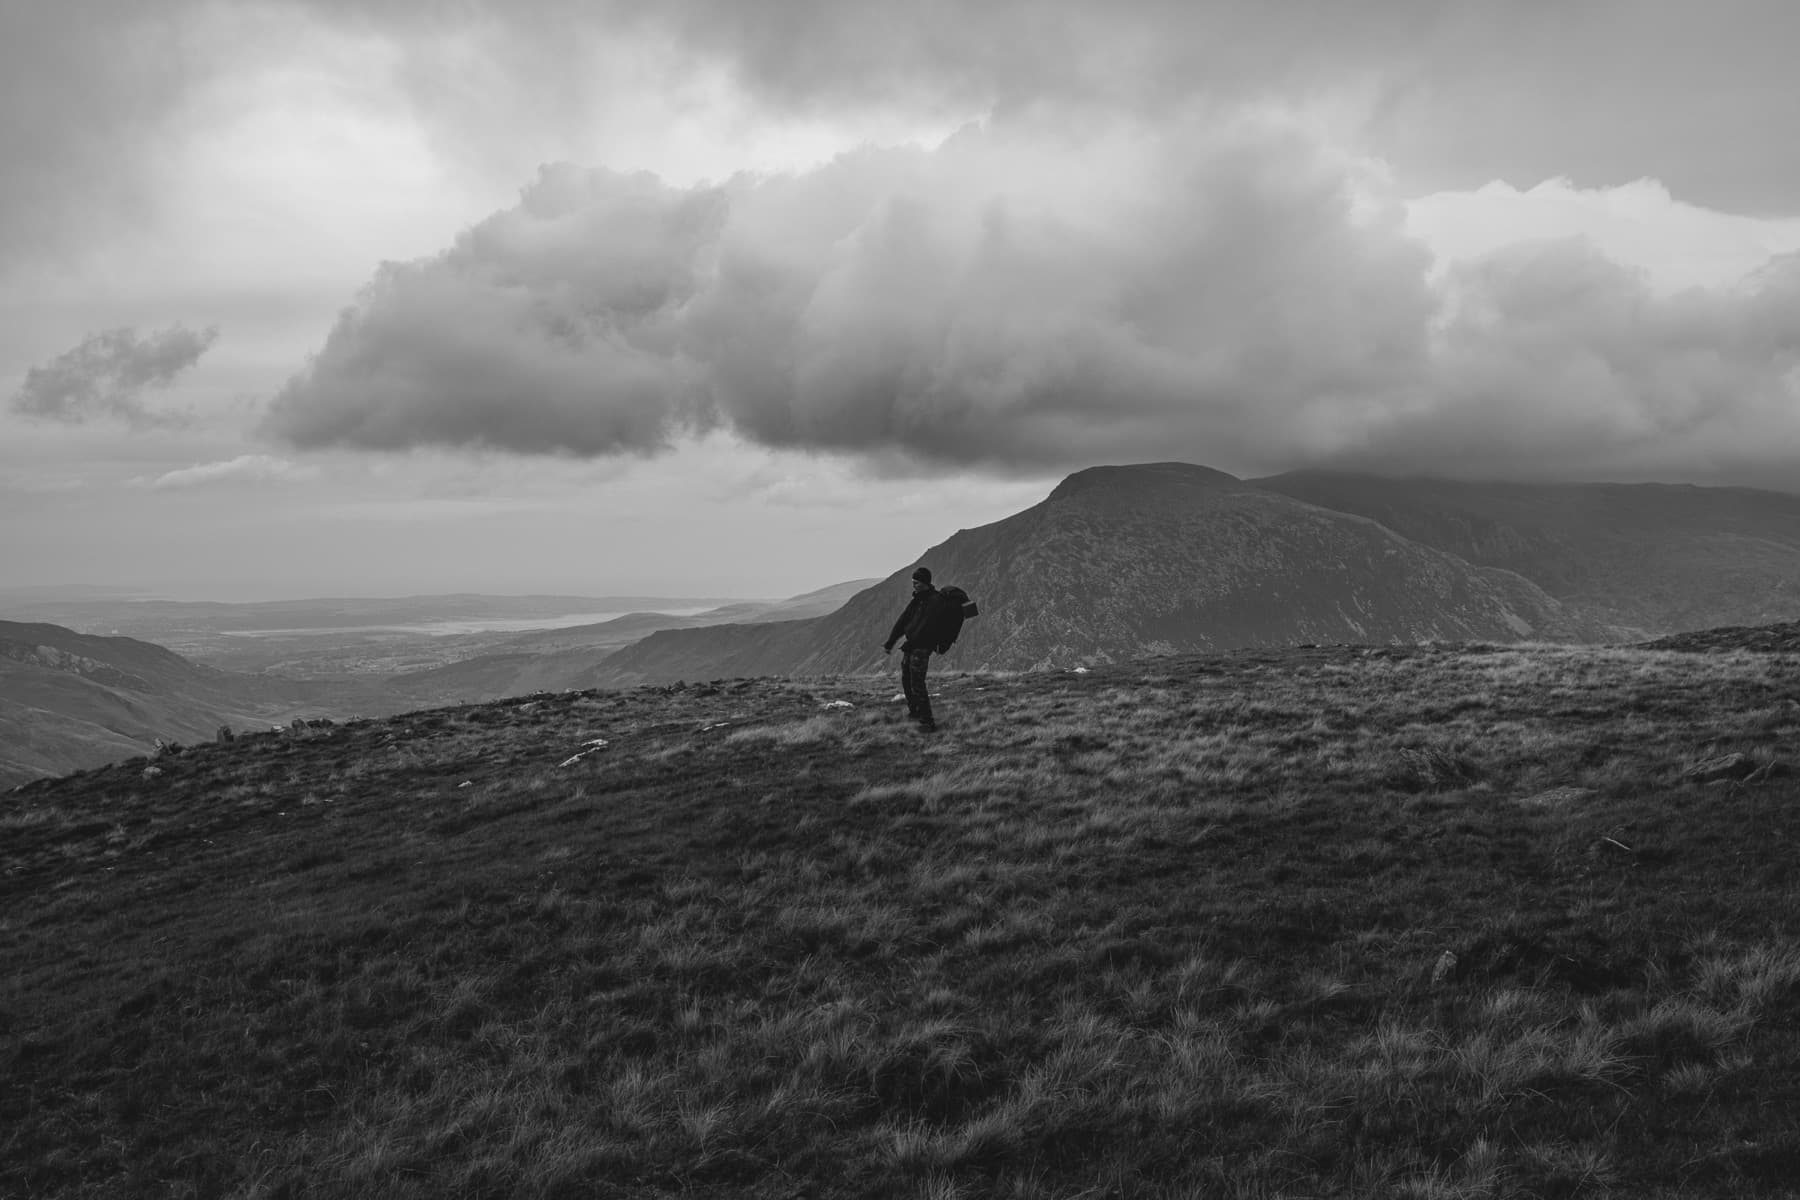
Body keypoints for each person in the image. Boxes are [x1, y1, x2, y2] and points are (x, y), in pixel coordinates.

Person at [883, 566, 941, 732]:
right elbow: (903, 621)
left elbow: (925, 627)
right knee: (906, 679)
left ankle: (928, 722)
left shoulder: (934, 601)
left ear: (924, 583)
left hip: (922, 647)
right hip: (912, 646)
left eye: (916, 582)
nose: (913, 585)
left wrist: (911, 641)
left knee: (917, 682)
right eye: (913, 582)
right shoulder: (918, 600)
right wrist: (890, 642)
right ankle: (915, 712)